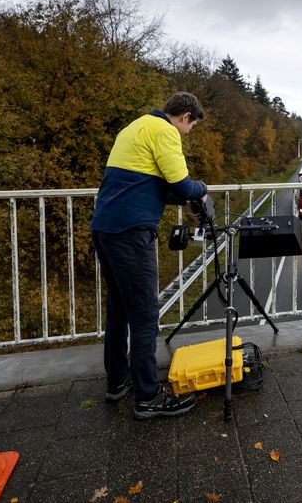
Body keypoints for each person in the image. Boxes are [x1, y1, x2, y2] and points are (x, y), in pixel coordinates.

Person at [91, 92, 208, 419]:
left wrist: (180, 197)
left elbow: (146, 184)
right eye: (192, 126)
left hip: (104, 228)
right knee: (144, 314)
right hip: (131, 233)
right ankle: (148, 396)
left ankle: (118, 382)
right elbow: (183, 185)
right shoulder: (166, 132)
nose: (188, 133)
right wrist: (202, 190)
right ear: (185, 116)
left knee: (118, 309)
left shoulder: (135, 128)